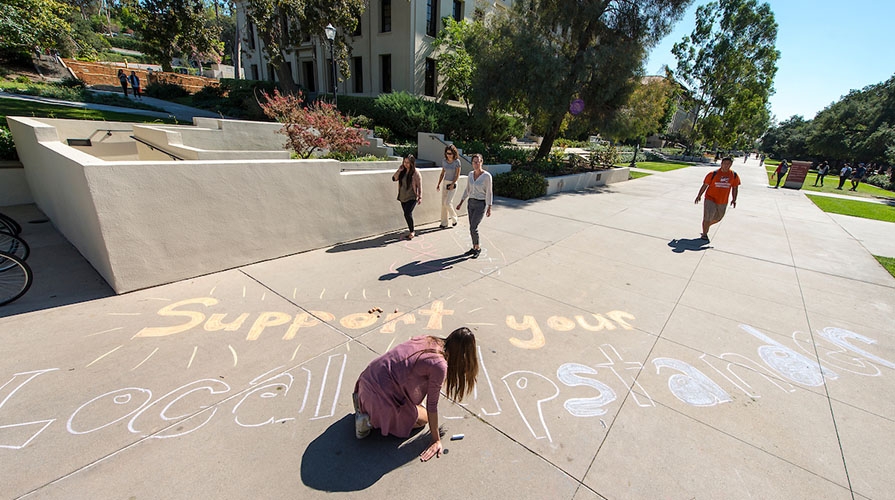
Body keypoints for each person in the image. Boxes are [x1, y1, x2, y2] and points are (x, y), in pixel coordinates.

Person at [353, 327, 479, 462]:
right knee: (423, 418)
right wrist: (436, 439)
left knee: (415, 403)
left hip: (366, 381)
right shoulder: (440, 365)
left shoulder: (428, 339)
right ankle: (369, 421)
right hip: (379, 399)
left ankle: (363, 404)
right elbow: (432, 405)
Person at [694, 156, 740, 242]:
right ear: (721, 164)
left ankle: (706, 226)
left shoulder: (734, 175)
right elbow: (705, 185)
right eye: (725, 164)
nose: (726, 166)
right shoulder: (713, 174)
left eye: (728, 164)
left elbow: (735, 188)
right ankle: (704, 234)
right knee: (707, 217)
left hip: (723, 200)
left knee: (719, 218)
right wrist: (699, 195)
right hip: (710, 198)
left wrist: (734, 199)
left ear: (731, 165)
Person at [456, 154, 492, 258]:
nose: (476, 164)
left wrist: (489, 207)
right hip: (471, 202)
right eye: (474, 162)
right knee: (471, 227)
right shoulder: (470, 174)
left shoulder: (487, 176)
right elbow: (467, 189)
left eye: (478, 162)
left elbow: (489, 192)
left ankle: (478, 248)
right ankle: (474, 247)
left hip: (480, 204)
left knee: (473, 227)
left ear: (481, 162)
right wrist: (461, 202)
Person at [392, 154, 422, 239]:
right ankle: (411, 229)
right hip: (402, 196)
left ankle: (412, 231)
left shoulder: (415, 173)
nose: (406, 164)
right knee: (407, 214)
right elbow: (394, 179)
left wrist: (420, 197)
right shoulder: (402, 171)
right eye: (404, 162)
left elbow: (419, 186)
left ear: (412, 163)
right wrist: (399, 170)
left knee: (407, 213)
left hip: (412, 197)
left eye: (408, 163)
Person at [436, 145, 461, 229]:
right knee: (443, 204)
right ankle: (444, 223)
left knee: (448, 203)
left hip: (453, 183)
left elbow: (457, 174)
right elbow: (443, 173)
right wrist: (439, 183)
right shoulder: (444, 161)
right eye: (447, 153)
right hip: (445, 183)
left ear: (454, 153)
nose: (449, 155)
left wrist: (452, 184)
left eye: (450, 153)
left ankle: (454, 219)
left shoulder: (457, 162)